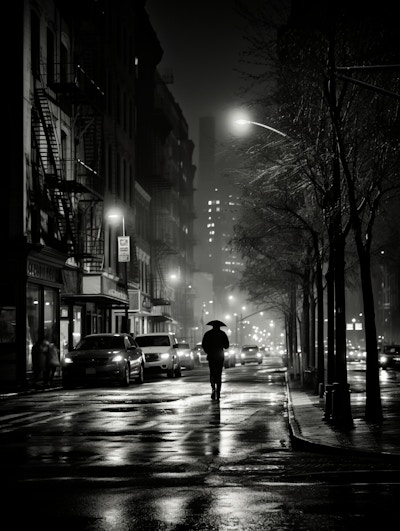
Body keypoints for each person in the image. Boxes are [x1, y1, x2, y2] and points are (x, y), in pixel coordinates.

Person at [201, 321, 229, 401]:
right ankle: (218, 391)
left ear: (212, 326)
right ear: (220, 326)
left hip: (211, 356)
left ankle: (213, 388)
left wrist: (208, 351)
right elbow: (226, 346)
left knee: (212, 373)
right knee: (219, 374)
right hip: (220, 357)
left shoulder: (208, 334)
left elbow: (204, 345)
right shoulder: (222, 334)